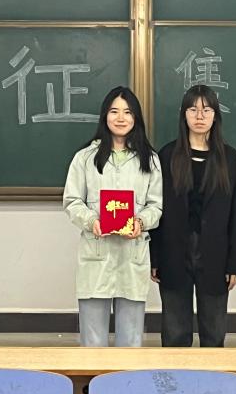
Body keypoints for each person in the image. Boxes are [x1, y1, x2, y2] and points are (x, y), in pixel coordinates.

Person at [63, 86, 162, 347]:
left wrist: (141, 222)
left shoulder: (149, 159)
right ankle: (92, 377)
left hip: (132, 253)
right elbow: (72, 201)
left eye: (127, 112)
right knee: (92, 341)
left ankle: (126, 378)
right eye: (114, 111)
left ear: (136, 118)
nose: (120, 118)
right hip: (97, 252)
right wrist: (91, 221)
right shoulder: (85, 158)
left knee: (131, 341)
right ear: (104, 116)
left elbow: (156, 206)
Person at [151, 84, 236, 347]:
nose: (200, 116)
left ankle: (211, 373)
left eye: (207, 110)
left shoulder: (230, 160)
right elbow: (156, 210)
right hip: (173, 252)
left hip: (215, 254)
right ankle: (174, 372)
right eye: (193, 110)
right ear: (184, 115)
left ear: (216, 115)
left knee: (214, 331)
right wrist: (154, 257)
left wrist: (235, 264)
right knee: (174, 331)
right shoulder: (167, 156)